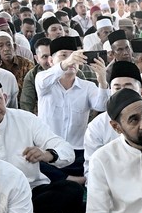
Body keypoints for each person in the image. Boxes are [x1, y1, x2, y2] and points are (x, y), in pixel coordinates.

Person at [0, 73, 84, 213]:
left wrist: (47, 154)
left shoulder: (25, 119)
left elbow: (67, 151)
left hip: (31, 194)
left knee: (72, 190)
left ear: (5, 98)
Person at [35, 36, 109, 183]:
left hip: (77, 153)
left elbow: (101, 105)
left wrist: (102, 80)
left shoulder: (87, 87)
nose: (71, 60)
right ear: (51, 61)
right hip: (49, 150)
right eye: (63, 55)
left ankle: (70, 180)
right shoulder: (43, 81)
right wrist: (67, 62)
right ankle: (75, 181)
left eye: (75, 56)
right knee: (36, 164)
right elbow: (43, 80)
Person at [83, 62, 142, 179]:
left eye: (128, 87)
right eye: (117, 88)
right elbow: (92, 171)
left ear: (141, 93)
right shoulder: (96, 126)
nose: (122, 93)